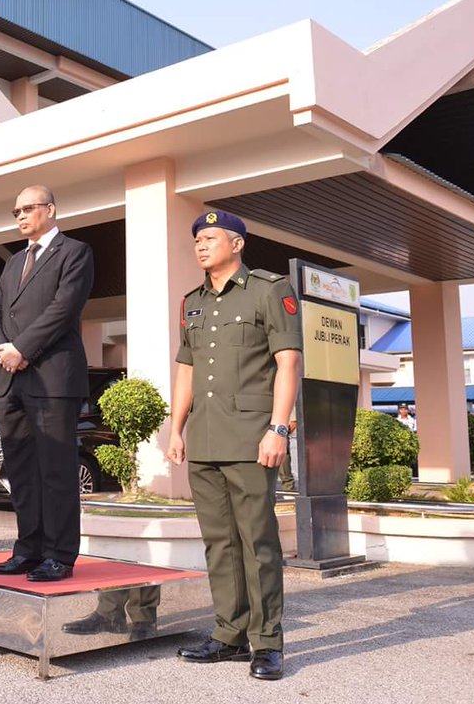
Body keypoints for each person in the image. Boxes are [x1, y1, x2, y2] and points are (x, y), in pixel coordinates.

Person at [167, 210, 301, 682]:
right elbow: (186, 368)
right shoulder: (192, 302)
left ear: (238, 244)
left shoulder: (269, 289)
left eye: (210, 238)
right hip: (203, 439)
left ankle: (267, 643)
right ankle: (228, 634)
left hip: (251, 438)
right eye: (197, 239)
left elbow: (288, 363)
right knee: (218, 544)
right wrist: (176, 429)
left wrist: (278, 428)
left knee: (258, 541)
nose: (201, 245)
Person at [0, 185, 94, 583]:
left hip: (52, 377)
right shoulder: (14, 261)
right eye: (16, 211)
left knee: (56, 470)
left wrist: (23, 348)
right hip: (11, 378)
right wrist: (3, 349)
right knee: (21, 469)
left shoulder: (75, 252)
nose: (20, 216)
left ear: (50, 208)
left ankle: (59, 555)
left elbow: (64, 309)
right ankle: (28, 549)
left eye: (27, 209)